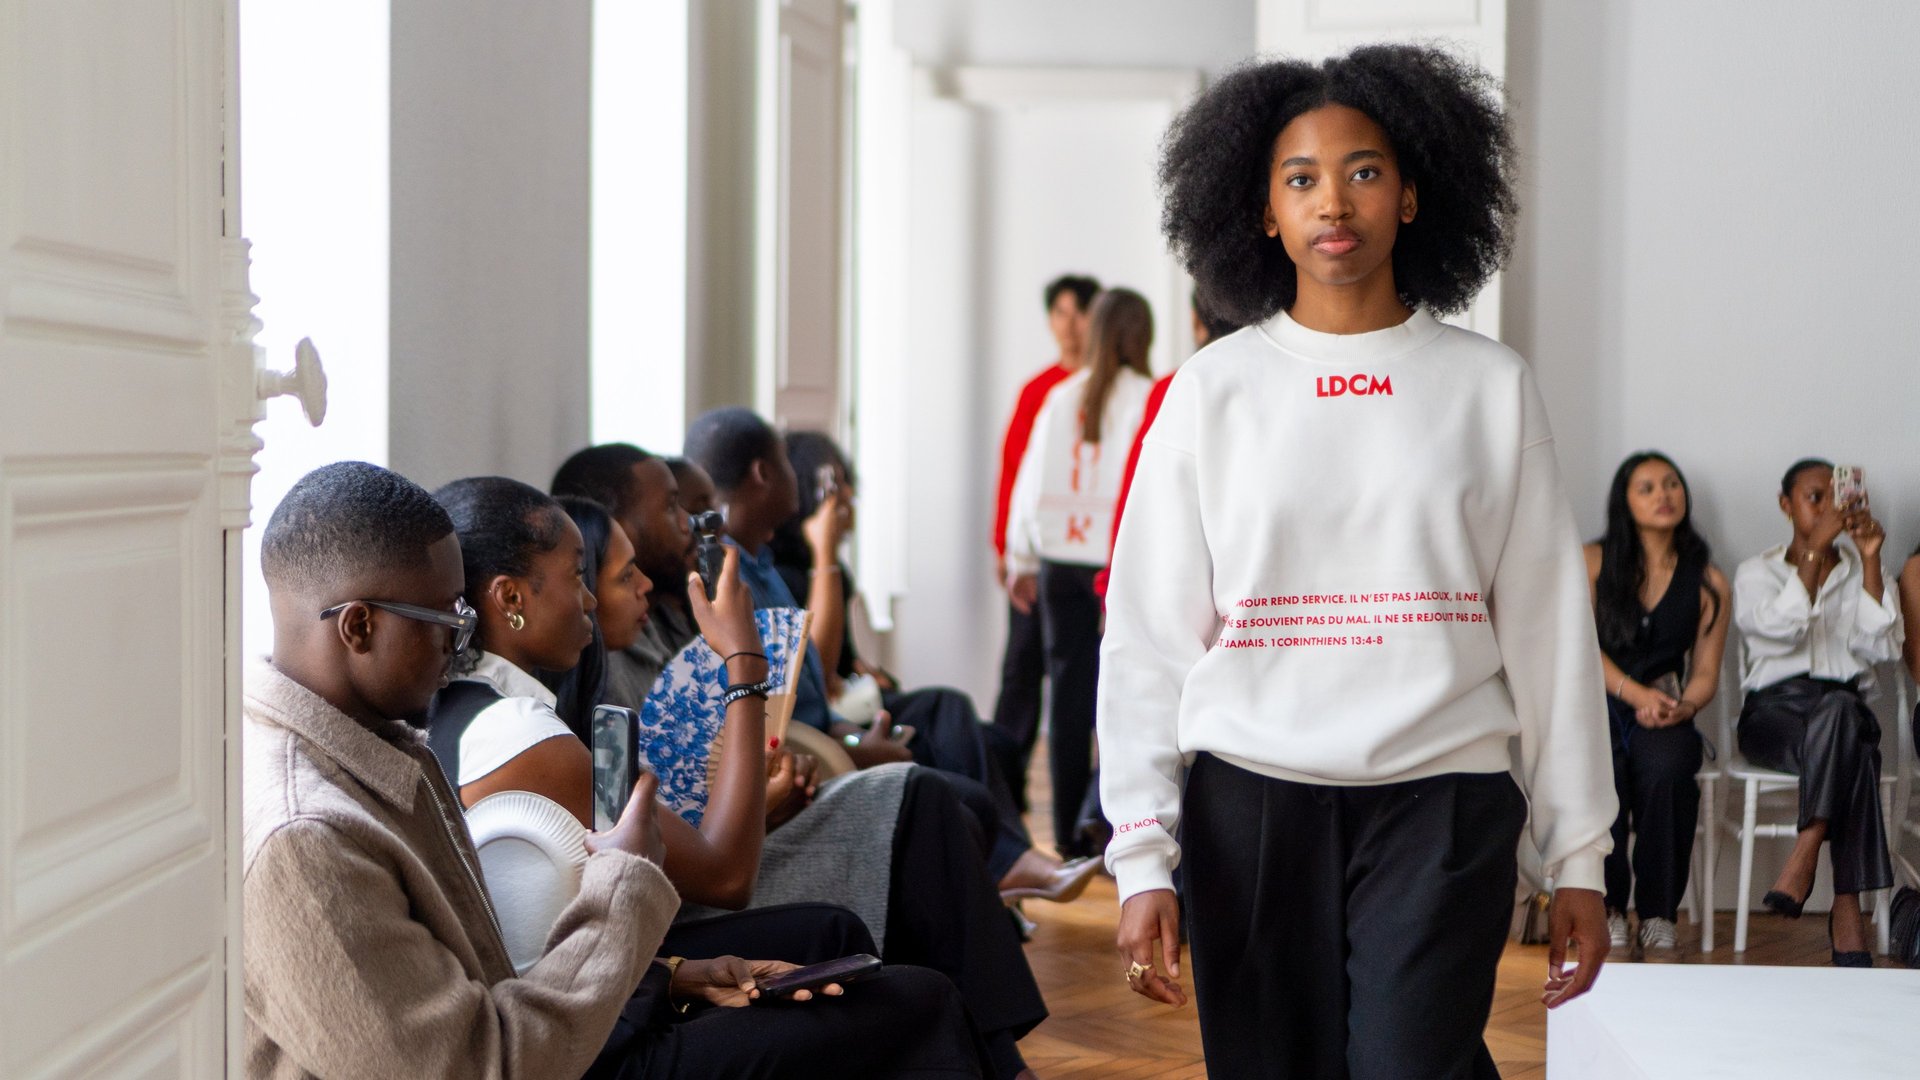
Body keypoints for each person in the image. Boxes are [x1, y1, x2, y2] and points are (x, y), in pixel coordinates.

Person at [1098, 46, 1618, 1078]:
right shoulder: (1212, 392)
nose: (1333, 200)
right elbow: (1151, 638)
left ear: (1416, 194)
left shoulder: (1489, 388)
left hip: (1445, 799)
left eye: (1365, 170)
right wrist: (1140, 855)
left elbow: (1550, 633)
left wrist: (1580, 855)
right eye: (1300, 178)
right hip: (1248, 806)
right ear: (1262, 212)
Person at [245, 461, 991, 1079]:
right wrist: (626, 882)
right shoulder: (304, 840)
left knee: (869, 967)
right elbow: (480, 1065)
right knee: (911, 1002)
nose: (458, 644)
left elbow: (490, 977)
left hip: (553, 1032)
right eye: (447, 621)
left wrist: (665, 977)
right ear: (360, 625)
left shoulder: (381, 746)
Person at [447, 475, 1049, 1080]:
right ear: (510, 598)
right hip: (591, 1046)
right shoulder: (521, 736)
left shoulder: (453, 714)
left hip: (593, 1001)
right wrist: (744, 658)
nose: (590, 601)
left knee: (835, 933)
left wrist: (678, 972)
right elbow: (726, 874)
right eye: (580, 576)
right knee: (923, 998)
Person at [770, 431, 1098, 900]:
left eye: (844, 484)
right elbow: (817, 678)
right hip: (828, 729)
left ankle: (1005, 872)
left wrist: (864, 668)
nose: (845, 499)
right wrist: (824, 556)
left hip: (852, 709)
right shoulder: (788, 573)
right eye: (831, 486)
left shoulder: (828, 571)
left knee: (988, 736)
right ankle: (1011, 866)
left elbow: (840, 661)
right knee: (949, 712)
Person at [1733, 458, 1903, 966]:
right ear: (1786, 505)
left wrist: (1870, 558)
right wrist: (1811, 552)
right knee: (1855, 745)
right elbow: (1776, 629)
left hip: (1842, 710)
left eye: (1839, 497)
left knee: (1842, 712)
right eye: (1815, 497)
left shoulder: (1862, 572)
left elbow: (1881, 648)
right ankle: (1845, 907)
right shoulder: (1756, 571)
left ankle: (1806, 850)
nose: (1829, 507)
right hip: (1774, 717)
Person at [1005, 287, 1156, 859]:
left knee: (1065, 701)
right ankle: (1116, 824)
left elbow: (1028, 482)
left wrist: (1021, 557)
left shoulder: (1061, 397)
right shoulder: (1149, 396)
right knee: (1122, 701)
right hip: (1113, 567)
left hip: (1057, 567)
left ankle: (1067, 833)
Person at [1582, 452, 1730, 953]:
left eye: (1671, 484)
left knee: (1668, 770)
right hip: (1598, 704)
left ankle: (1658, 913)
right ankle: (1606, 907)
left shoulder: (1709, 581)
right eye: (1646, 487)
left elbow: (1706, 671)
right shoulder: (1592, 562)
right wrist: (1633, 692)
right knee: (1601, 774)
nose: (1663, 495)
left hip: (1666, 711)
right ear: (1624, 500)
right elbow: (1578, 647)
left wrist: (1683, 707)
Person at [990, 273, 1101, 810]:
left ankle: (1084, 805)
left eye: (1080, 312)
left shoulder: (1119, 387)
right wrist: (1005, 551)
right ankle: (1004, 791)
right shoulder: (1039, 391)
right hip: (1035, 558)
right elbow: (1013, 475)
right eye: (1060, 312)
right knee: (1020, 672)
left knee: (1080, 683)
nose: (1071, 324)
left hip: (1082, 562)